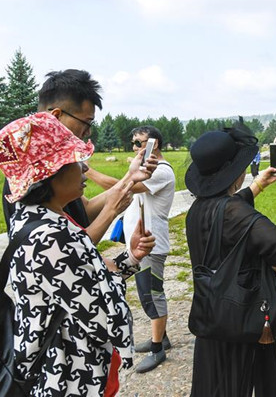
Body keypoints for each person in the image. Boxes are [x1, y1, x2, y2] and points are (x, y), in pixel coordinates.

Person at [0, 112, 156, 396]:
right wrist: (113, 275)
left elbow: (82, 275)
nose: (83, 168)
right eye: (74, 161)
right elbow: (108, 320)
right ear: (49, 176)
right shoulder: (50, 237)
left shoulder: (36, 217)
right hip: (69, 380)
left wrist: (131, 257)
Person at [185, 122, 276, 396]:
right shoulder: (232, 211)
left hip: (213, 316)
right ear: (235, 172)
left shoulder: (198, 209)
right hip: (242, 316)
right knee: (246, 382)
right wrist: (271, 272)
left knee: (216, 384)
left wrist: (258, 186)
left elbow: (226, 210)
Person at [1, 69, 157, 244]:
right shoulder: (32, 174)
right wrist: (111, 210)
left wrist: (131, 176)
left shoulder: (54, 167)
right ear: (56, 116)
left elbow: (85, 212)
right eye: (86, 122)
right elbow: (66, 248)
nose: (88, 132)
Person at [86, 126, 175, 373]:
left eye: (139, 143)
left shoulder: (162, 171)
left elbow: (122, 187)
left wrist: (87, 171)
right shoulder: (150, 169)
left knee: (152, 295)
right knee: (147, 293)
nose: (134, 147)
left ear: (154, 145)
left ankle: (158, 349)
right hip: (141, 243)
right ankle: (162, 337)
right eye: (133, 142)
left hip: (151, 244)